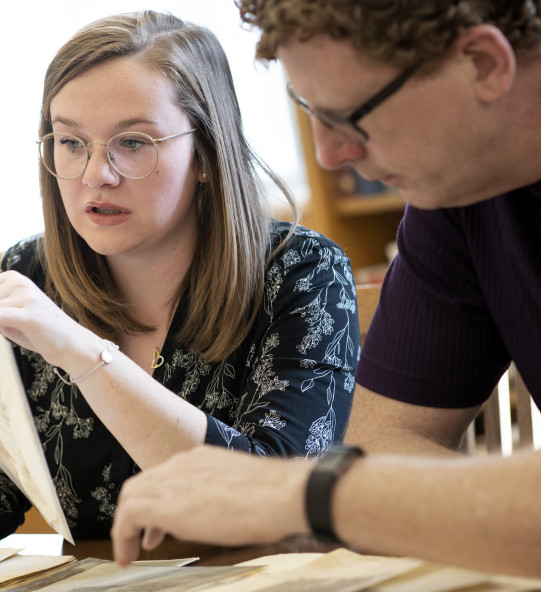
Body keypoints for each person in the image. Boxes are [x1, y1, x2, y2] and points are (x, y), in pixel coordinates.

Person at [111, 0, 541, 578]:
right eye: (310, 113)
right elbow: (382, 442)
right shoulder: (460, 188)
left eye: (350, 117)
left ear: (482, 63)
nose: (331, 154)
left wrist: (307, 494)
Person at [0, 10, 359, 539]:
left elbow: (282, 496)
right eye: (71, 143)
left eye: (134, 143)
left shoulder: (301, 273)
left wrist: (81, 353)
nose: (96, 175)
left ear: (207, 155)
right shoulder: (27, 273)